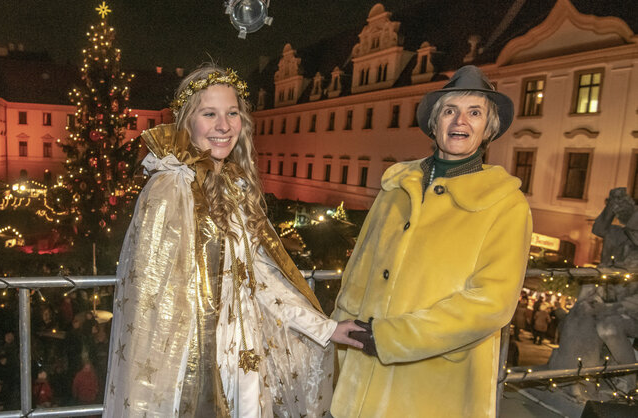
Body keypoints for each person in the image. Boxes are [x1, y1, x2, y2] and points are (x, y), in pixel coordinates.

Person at [104, 64, 362, 417]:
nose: (224, 126)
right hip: (196, 369)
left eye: (232, 113)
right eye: (209, 114)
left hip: (244, 361)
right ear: (187, 122)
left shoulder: (234, 185)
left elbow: (263, 282)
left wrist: (327, 329)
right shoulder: (171, 187)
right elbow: (152, 306)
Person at [330, 65, 532, 418]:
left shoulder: (506, 203)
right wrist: (338, 329)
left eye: (475, 113)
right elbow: (359, 268)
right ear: (435, 122)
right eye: (450, 110)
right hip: (359, 366)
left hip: (433, 384)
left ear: (489, 129)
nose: (460, 122)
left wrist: (392, 338)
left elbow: (491, 303)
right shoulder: (396, 185)